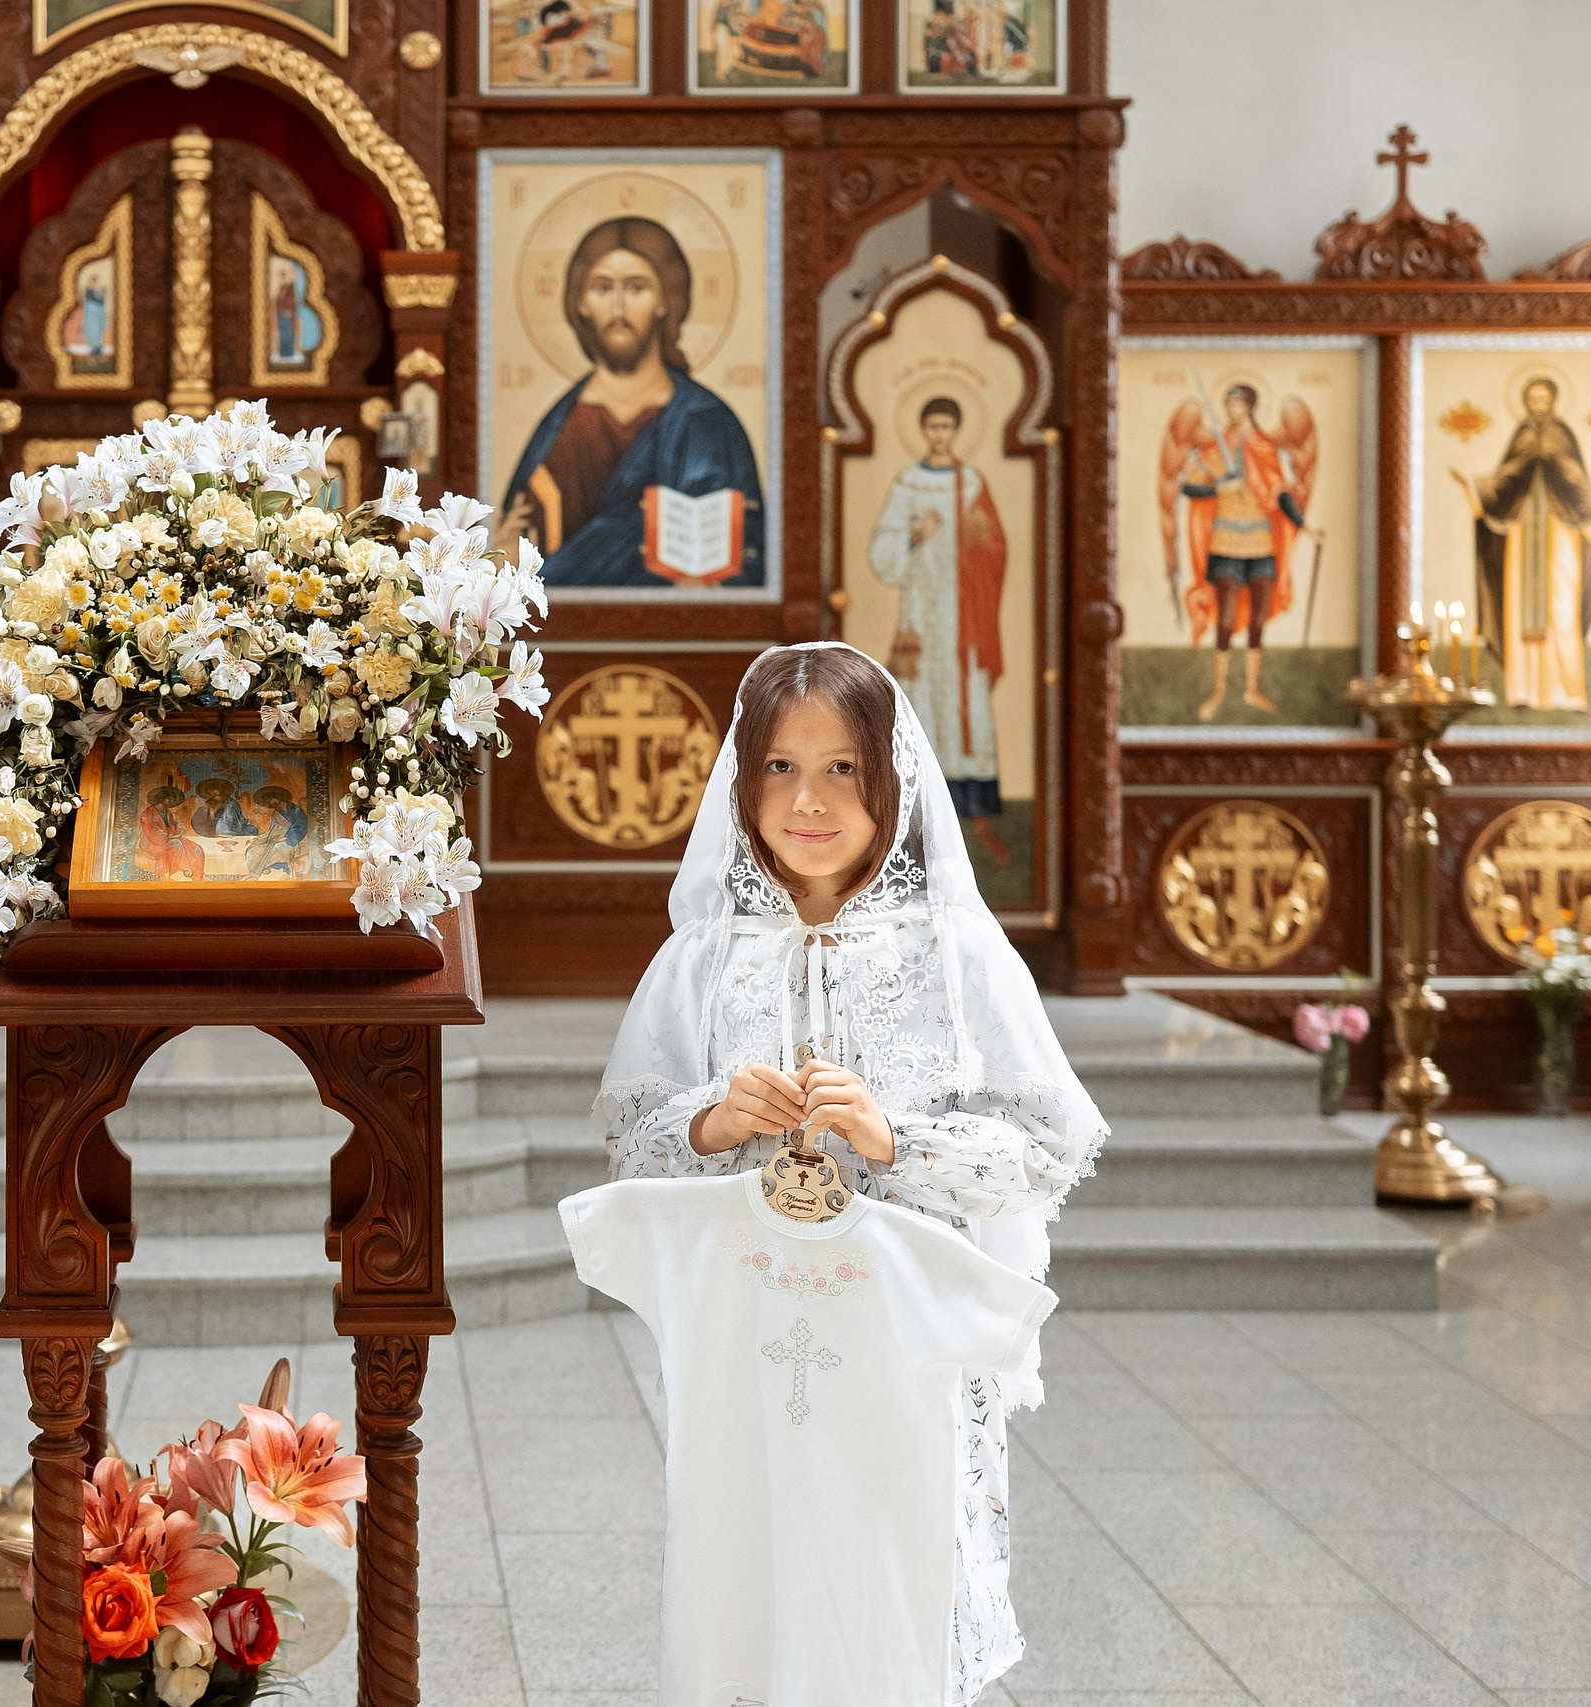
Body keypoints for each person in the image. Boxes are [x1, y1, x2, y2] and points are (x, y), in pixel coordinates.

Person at [587, 641, 1105, 1707]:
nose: (807, 801)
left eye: (841, 771)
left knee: (890, 1573)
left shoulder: (956, 958)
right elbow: (631, 1139)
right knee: (750, 1564)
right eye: (779, 768)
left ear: (893, 781)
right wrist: (711, 1121)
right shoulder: (701, 957)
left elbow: (1046, 1150)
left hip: (903, 1336)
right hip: (747, 1331)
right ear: (742, 783)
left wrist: (894, 1140)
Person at [499, 218, 765, 588]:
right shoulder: (559, 428)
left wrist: (713, 583)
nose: (618, 307)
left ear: (664, 301)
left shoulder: (708, 423)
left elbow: (751, 556)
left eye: (637, 288)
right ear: (581, 303)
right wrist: (502, 559)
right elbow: (514, 554)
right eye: (602, 287)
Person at [866, 396, 1012, 865]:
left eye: (948, 426)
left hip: (964, 618)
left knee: (969, 706)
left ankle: (978, 824)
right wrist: (915, 537)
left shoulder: (969, 483)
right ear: (924, 430)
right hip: (921, 618)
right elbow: (881, 555)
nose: (940, 435)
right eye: (932, 426)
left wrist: (974, 538)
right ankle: (911, 829)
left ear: (958, 430)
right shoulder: (907, 484)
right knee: (919, 702)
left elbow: (995, 549)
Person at [1451, 376, 1591, 712]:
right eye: (1533, 400)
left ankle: (1569, 694)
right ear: (1526, 402)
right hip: (1523, 528)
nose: (1538, 405)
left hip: (1561, 530)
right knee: (1517, 607)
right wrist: (1477, 486)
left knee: (1562, 609)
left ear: (1553, 401)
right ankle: (1522, 691)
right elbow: (1506, 479)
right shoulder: (1523, 435)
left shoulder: (1560, 435)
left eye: (1544, 399)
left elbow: (1575, 478)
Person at [1173, 383, 1311, 720]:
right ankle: (1219, 690)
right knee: (1225, 617)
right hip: (1226, 543)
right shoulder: (1214, 449)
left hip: (1261, 543)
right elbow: (1188, 486)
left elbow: (1280, 492)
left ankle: (1251, 689)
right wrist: (1221, 487)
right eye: (1228, 405)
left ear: (1249, 407)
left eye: (1237, 405)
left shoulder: (1266, 448)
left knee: (1259, 617)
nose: (1231, 411)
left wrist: (1303, 525)